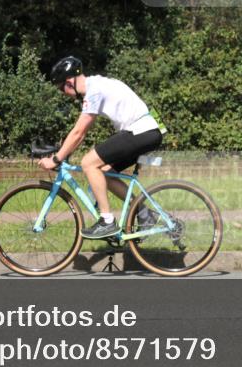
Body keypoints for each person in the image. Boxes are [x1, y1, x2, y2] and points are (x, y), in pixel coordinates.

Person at [39, 55, 165, 239]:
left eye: (60, 89)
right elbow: (80, 133)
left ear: (68, 83)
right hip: (145, 131)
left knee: (89, 163)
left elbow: (79, 132)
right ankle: (145, 214)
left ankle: (107, 221)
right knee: (105, 173)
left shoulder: (94, 90)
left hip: (141, 131)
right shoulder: (96, 86)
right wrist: (64, 150)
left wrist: (56, 159)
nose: (62, 93)